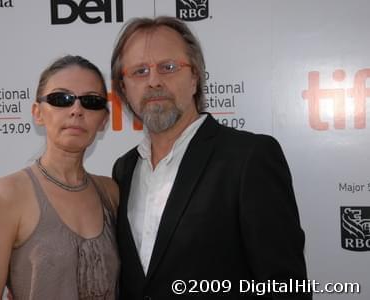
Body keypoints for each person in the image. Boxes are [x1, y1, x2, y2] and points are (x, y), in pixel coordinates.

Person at [111, 16, 311, 299]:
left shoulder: (248, 158)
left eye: (168, 67)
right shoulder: (124, 169)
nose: (154, 81)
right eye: (139, 71)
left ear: (195, 77)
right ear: (123, 88)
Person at [0, 55, 119, 299]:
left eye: (91, 101)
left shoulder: (111, 192)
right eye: (61, 99)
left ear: (103, 120)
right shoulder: (6, 194)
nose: (76, 110)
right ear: (38, 113)